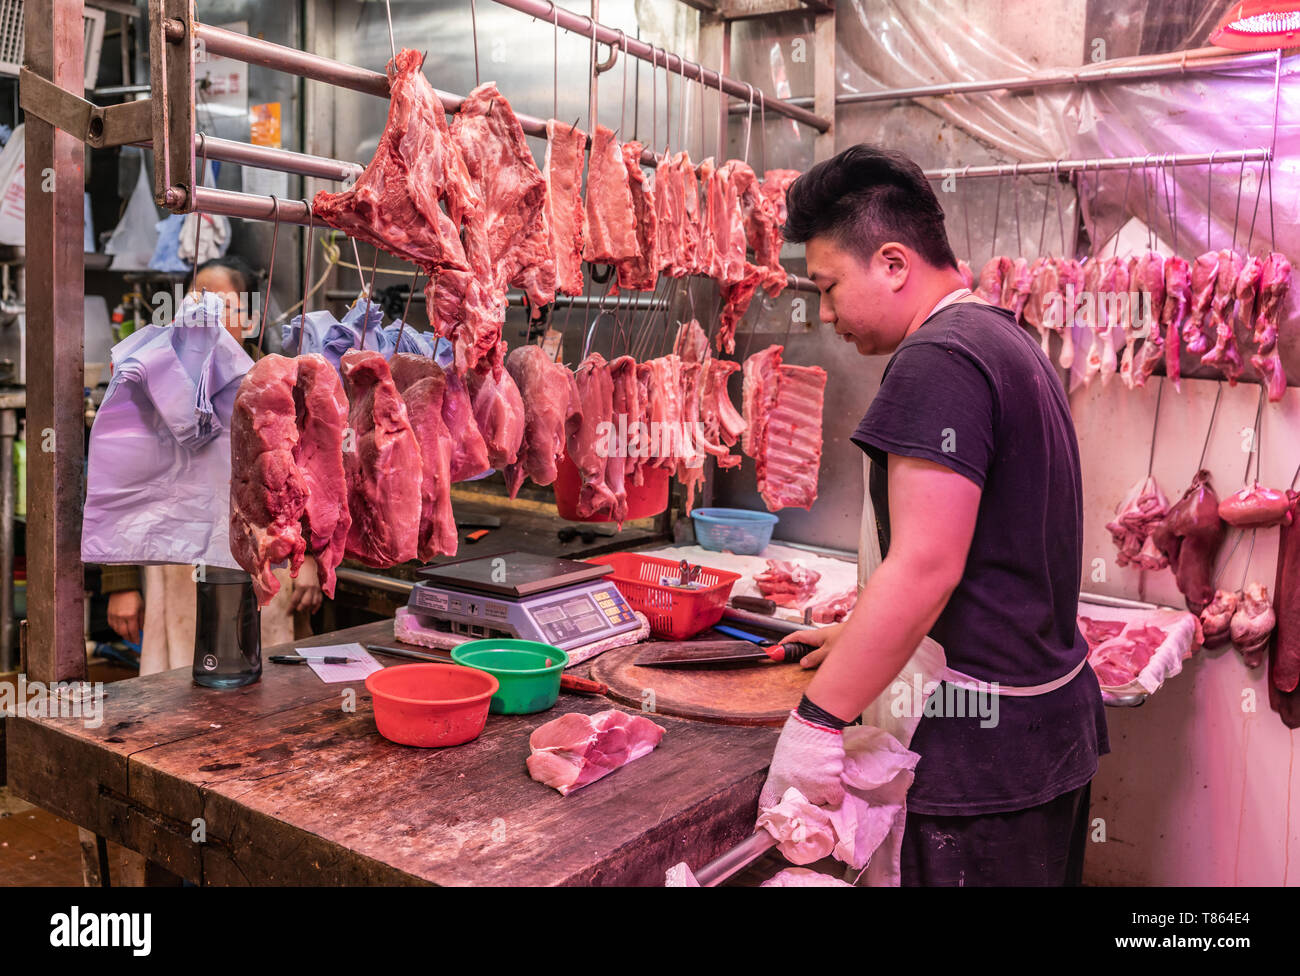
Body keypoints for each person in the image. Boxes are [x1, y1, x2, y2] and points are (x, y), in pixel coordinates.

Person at [759, 145, 1108, 886]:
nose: (823, 314)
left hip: (977, 766)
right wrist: (863, 639)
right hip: (1039, 744)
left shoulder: (938, 360)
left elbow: (927, 564)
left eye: (827, 287)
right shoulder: (1004, 338)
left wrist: (818, 720)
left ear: (892, 263)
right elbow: (987, 555)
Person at [102, 255, 323, 674]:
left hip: (265, 558)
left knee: (268, 683)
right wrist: (122, 583)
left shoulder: (280, 382)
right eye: (195, 301)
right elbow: (125, 482)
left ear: (252, 316)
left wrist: (309, 559)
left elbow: (310, 478)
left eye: (222, 304)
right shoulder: (155, 377)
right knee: (180, 685)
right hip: (176, 561)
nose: (205, 315)